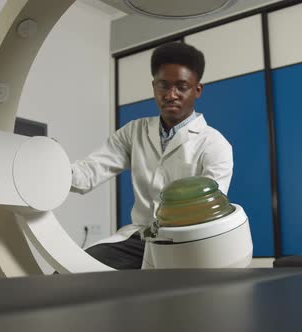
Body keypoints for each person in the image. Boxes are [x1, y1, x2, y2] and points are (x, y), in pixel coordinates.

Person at [70, 42, 233, 269]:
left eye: (181, 87)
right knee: (72, 269)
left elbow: (208, 209)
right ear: (153, 86)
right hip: (142, 239)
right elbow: (89, 172)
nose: (171, 95)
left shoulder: (214, 144)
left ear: (197, 90)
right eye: (163, 86)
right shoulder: (133, 131)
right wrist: (53, 169)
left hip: (189, 242)